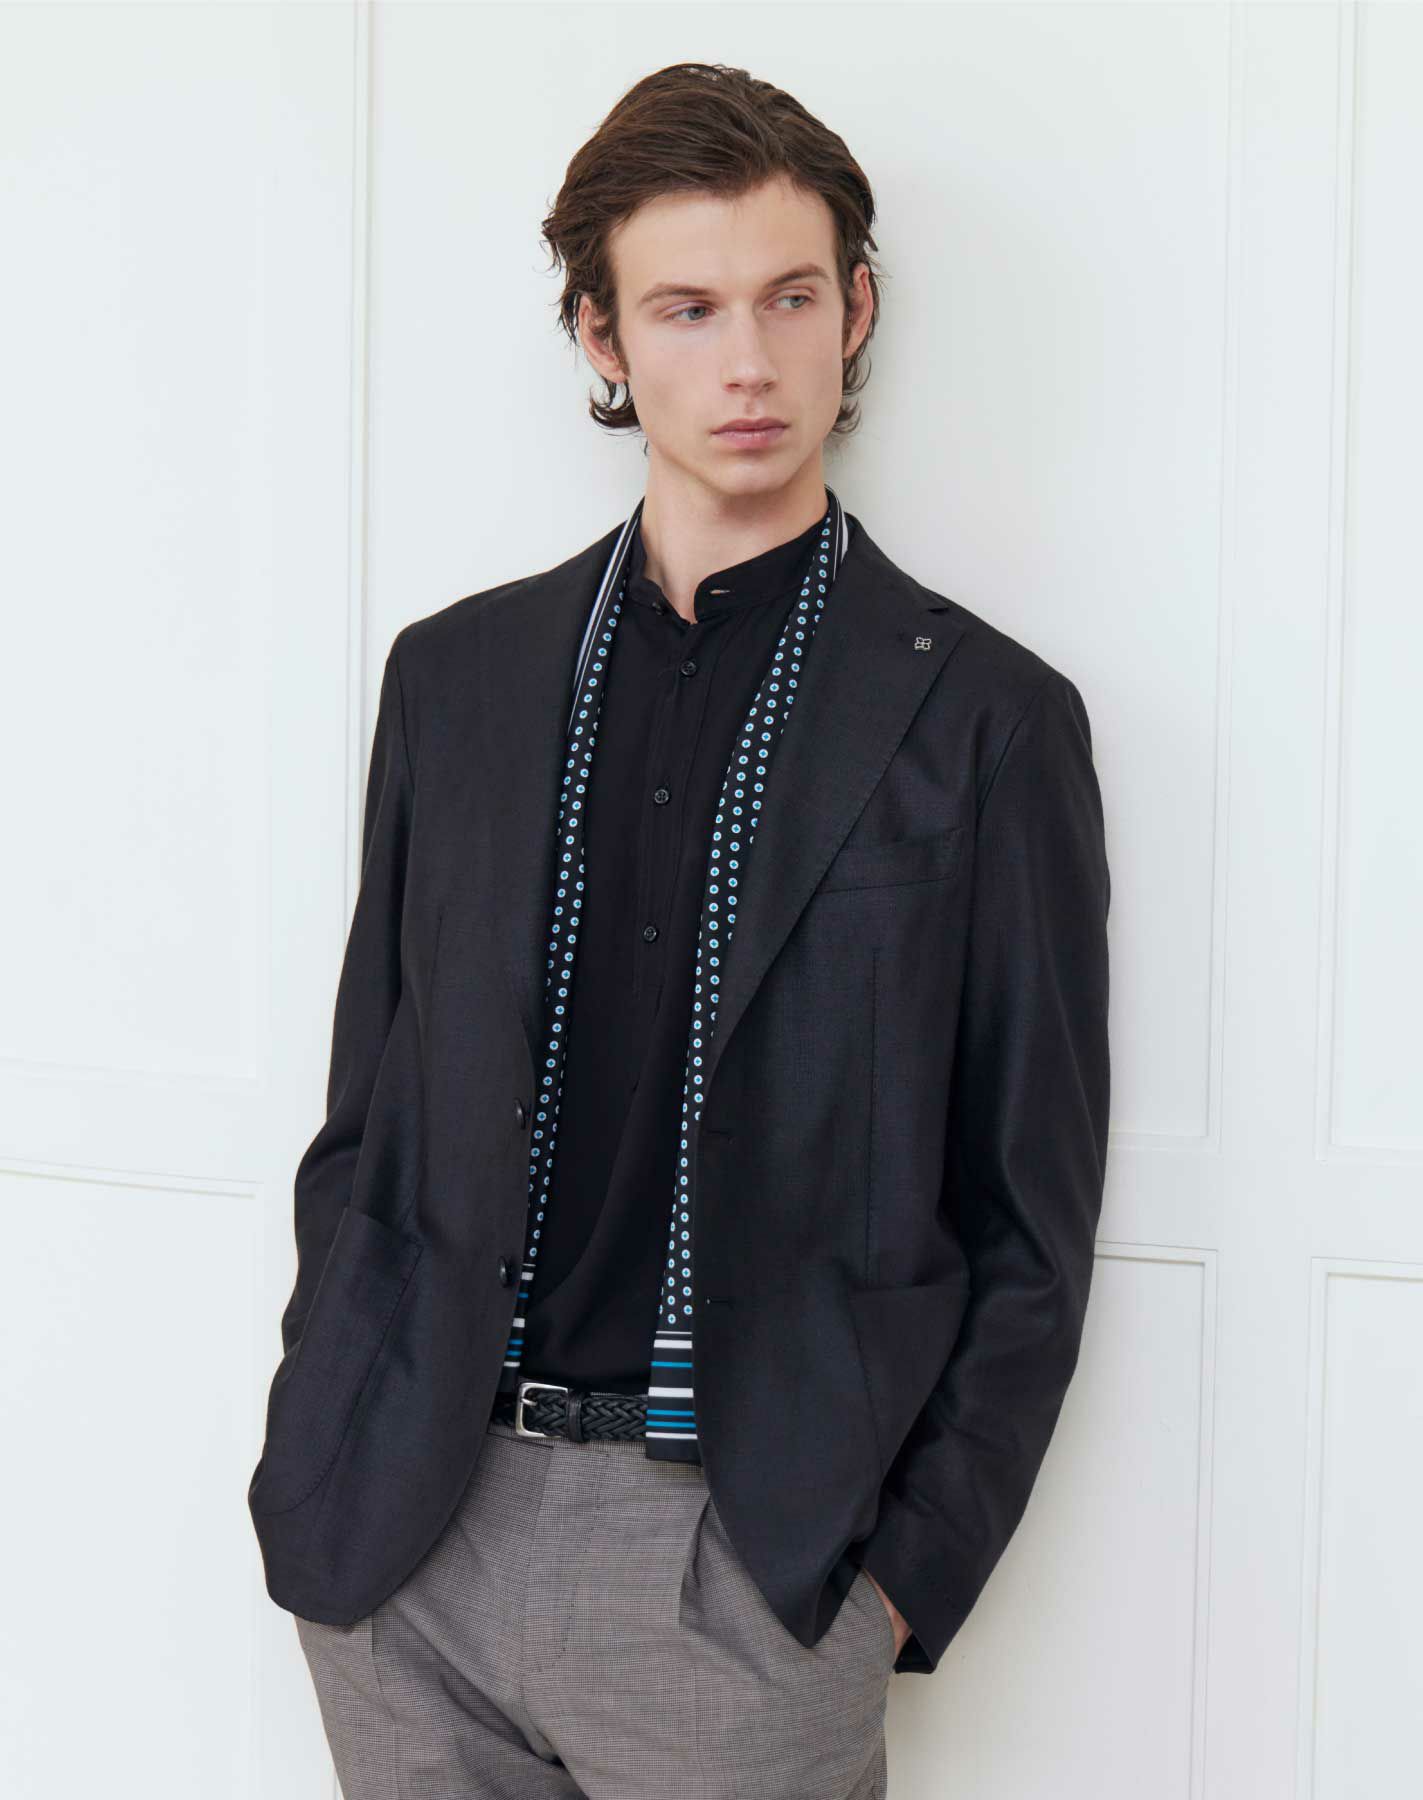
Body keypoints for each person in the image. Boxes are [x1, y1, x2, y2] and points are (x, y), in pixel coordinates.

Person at [248, 59, 1112, 1799]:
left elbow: (1031, 1220)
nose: (749, 364)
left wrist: (890, 1590)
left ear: (857, 310)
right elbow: (369, 1116)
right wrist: (330, 1420)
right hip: (411, 1537)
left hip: (744, 1567)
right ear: (602, 335)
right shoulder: (456, 680)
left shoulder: (987, 722)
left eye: (791, 298)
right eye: (688, 309)